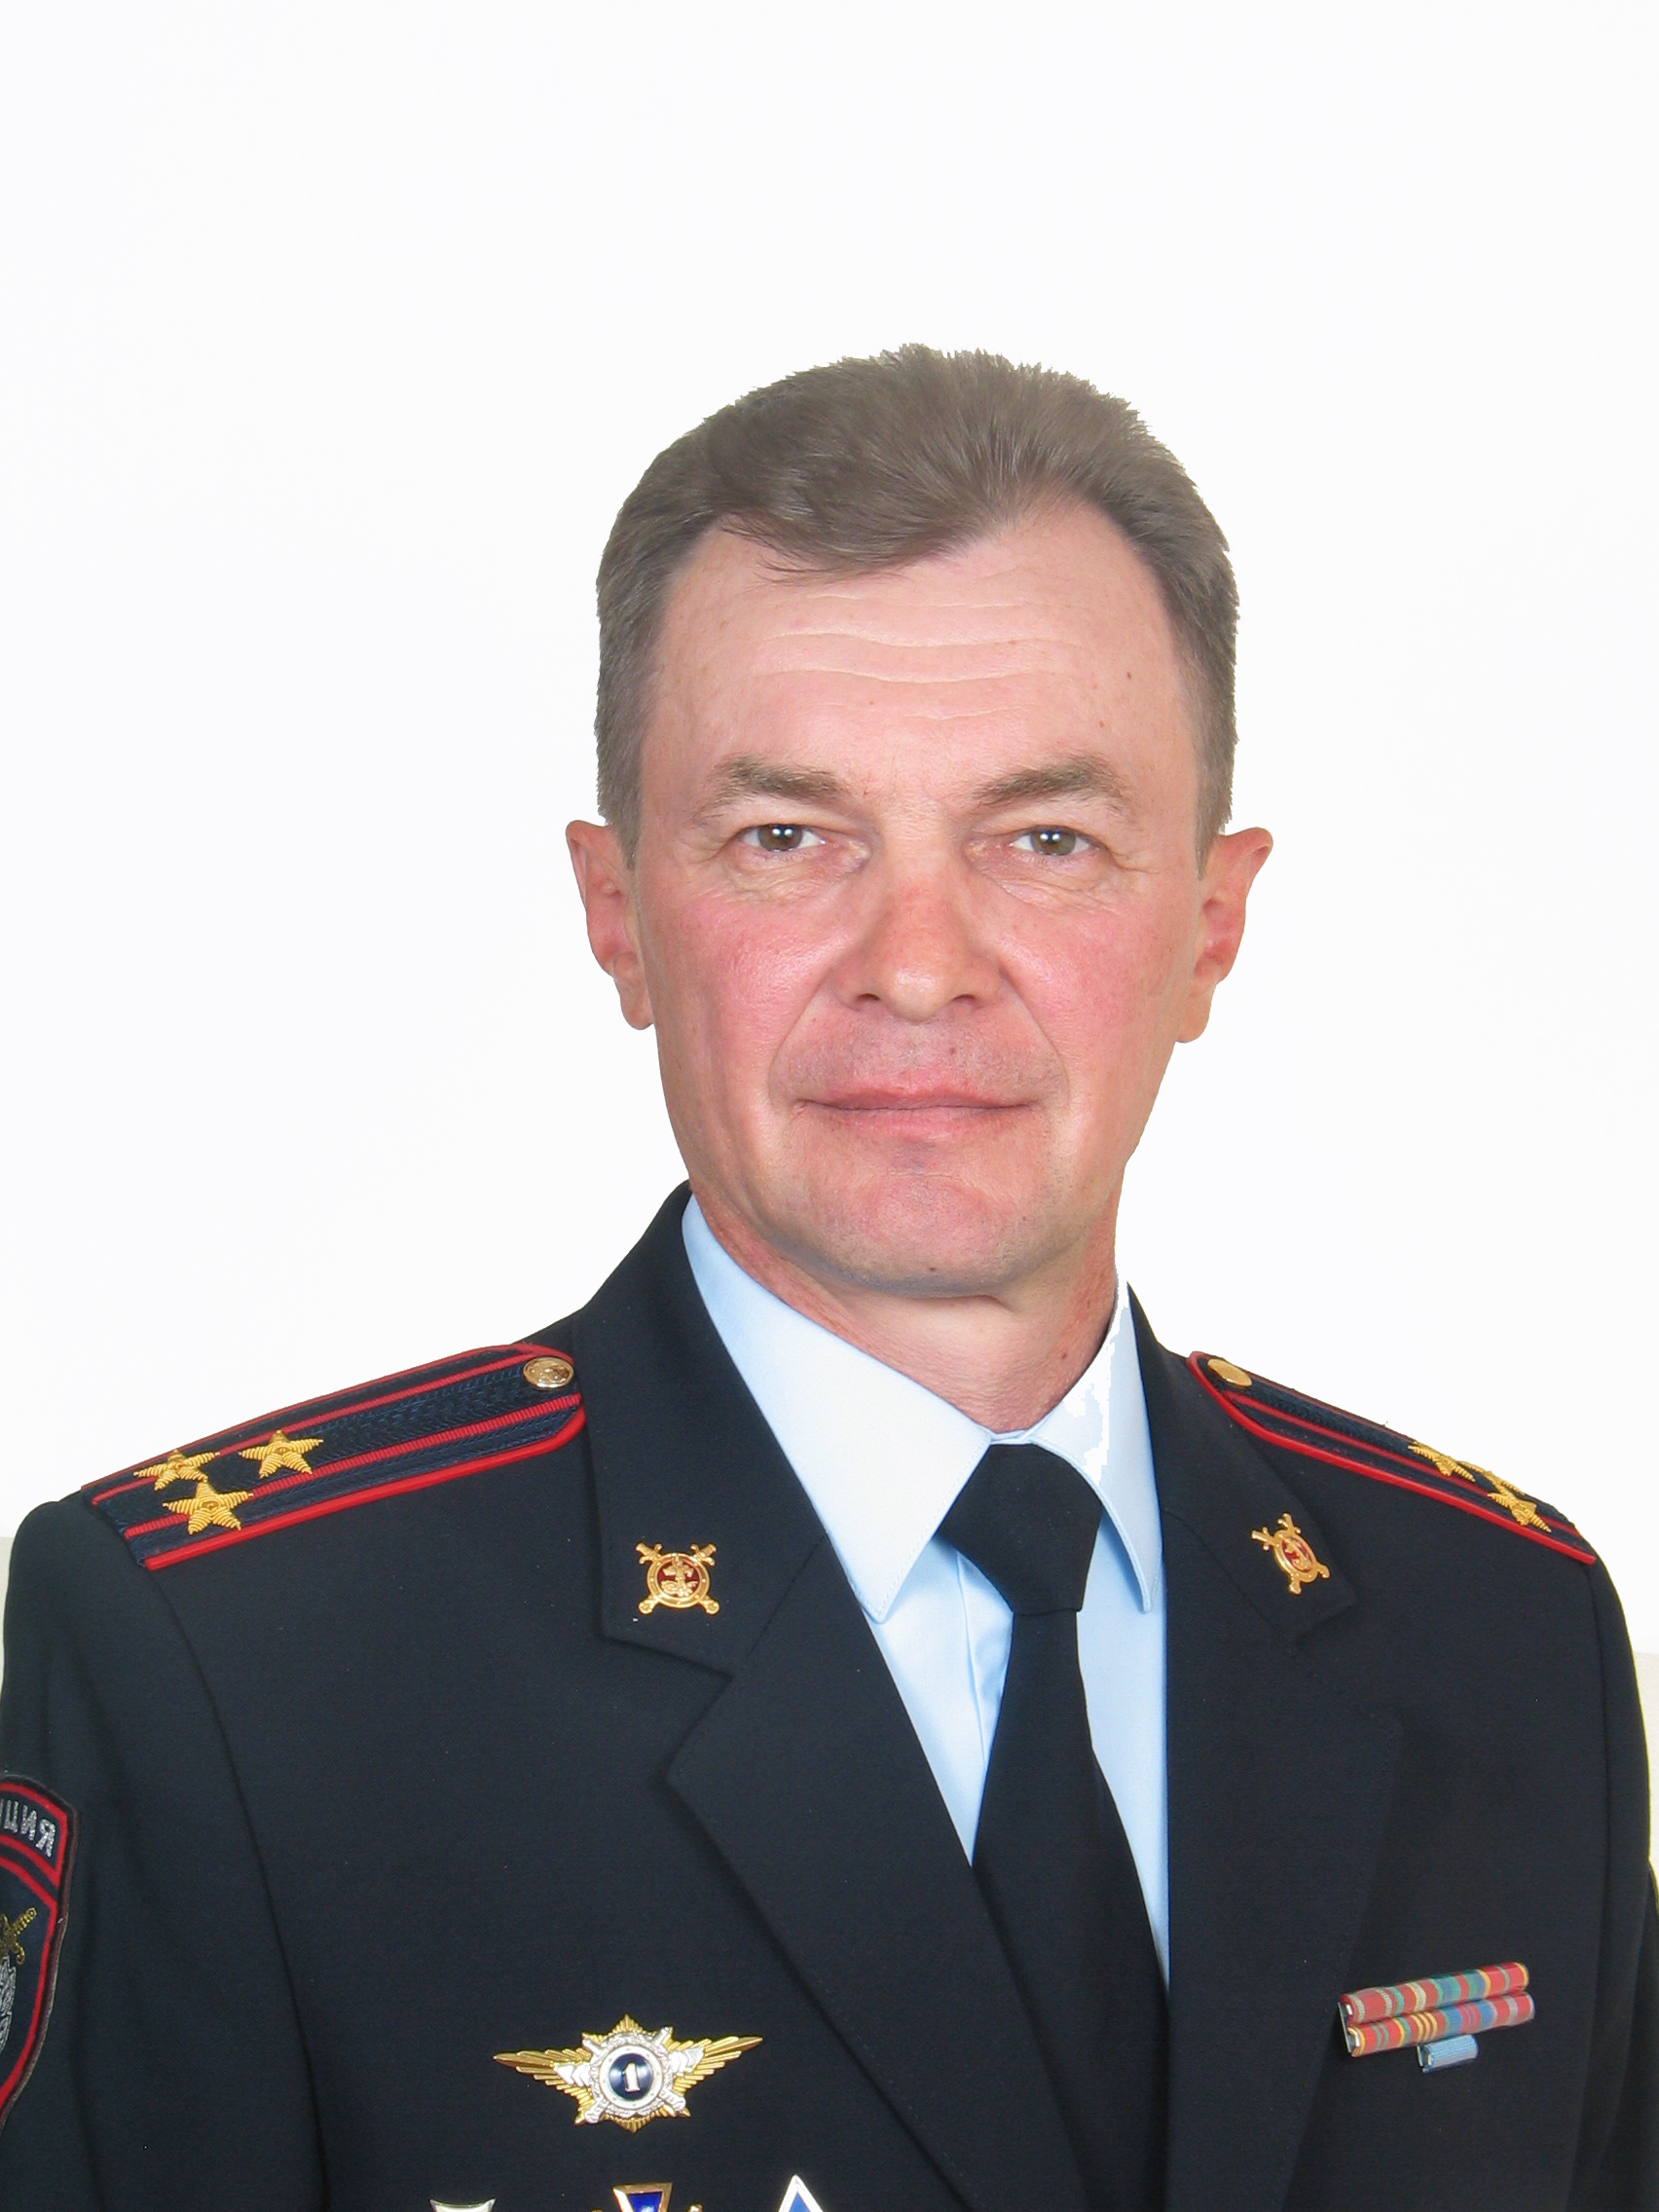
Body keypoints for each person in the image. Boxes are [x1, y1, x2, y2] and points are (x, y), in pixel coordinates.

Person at [0, 348, 1652, 2212]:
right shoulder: (238, 1673)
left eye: (1047, 839)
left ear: (1211, 921)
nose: (920, 965)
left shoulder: (1502, 1634)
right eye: (787, 838)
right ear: (620, 912)